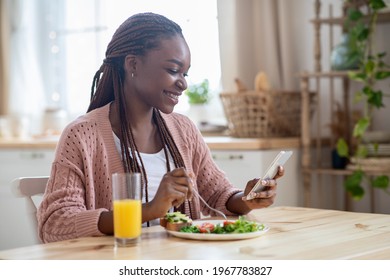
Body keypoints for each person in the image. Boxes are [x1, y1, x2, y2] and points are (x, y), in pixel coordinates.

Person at [37, 12, 284, 243]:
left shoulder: (183, 129)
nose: (184, 84)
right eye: (173, 70)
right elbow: (54, 224)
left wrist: (249, 199)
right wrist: (149, 210)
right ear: (132, 64)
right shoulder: (82, 135)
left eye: (185, 73)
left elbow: (218, 195)